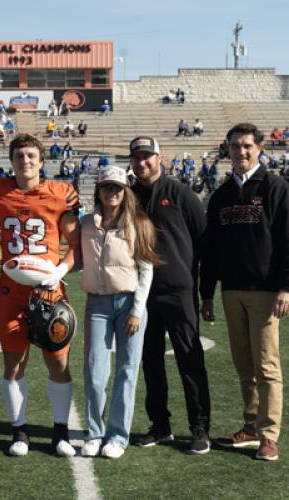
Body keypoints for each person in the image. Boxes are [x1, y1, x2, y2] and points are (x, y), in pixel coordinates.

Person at [0, 133, 81, 457]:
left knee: (58, 364)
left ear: (41, 160)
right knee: (13, 366)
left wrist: (60, 272)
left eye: (31, 156)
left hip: (49, 292)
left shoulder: (60, 193)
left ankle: (61, 433)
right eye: (19, 156)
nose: (25, 161)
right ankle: (19, 432)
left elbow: (77, 246)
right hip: (11, 293)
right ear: (11, 161)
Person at [200, 123, 289, 461]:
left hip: (266, 291)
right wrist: (207, 293)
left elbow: (287, 242)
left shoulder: (276, 187)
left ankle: (269, 436)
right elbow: (210, 251)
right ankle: (251, 427)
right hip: (230, 291)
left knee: (267, 366)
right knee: (243, 365)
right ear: (228, 149)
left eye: (247, 146)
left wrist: (285, 287)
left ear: (259, 148)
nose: (241, 151)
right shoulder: (221, 196)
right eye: (235, 146)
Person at [130, 136, 211, 454]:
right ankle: (160, 425)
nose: (142, 163)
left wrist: (204, 292)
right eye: (136, 158)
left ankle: (200, 427)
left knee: (190, 360)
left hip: (179, 291)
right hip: (142, 294)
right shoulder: (129, 196)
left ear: (160, 158)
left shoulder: (179, 192)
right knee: (150, 362)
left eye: (147, 156)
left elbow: (204, 241)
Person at [81, 166, 160, 459]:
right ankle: (93, 432)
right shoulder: (87, 223)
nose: (111, 193)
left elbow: (146, 270)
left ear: (125, 191)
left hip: (130, 304)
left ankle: (117, 436)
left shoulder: (138, 222)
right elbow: (75, 255)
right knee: (94, 371)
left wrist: (137, 310)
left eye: (116, 188)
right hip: (97, 304)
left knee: (127, 371)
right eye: (106, 187)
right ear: (98, 191)